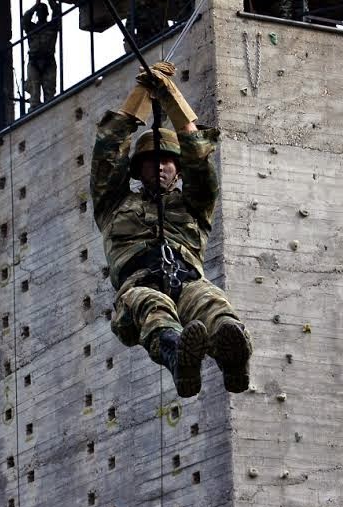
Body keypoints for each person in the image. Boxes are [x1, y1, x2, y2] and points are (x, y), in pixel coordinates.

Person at [90, 62, 253, 398]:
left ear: (177, 170)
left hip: (187, 282)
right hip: (139, 286)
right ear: (138, 169)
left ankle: (232, 355)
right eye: (152, 160)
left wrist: (171, 96)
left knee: (211, 303)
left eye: (167, 161)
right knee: (151, 304)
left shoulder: (194, 205)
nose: (160, 167)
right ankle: (179, 357)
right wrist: (143, 95)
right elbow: (108, 148)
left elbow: (199, 156)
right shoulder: (114, 205)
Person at [22, 0, 61, 106]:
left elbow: (57, 10)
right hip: (34, 61)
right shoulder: (31, 28)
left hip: (48, 61)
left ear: (47, 13)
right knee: (34, 93)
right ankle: (34, 110)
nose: (41, 13)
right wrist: (35, 6)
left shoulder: (52, 26)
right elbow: (25, 19)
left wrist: (50, 1)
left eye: (43, 11)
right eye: (39, 11)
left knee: (49, 93)